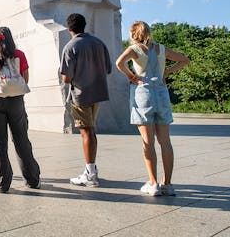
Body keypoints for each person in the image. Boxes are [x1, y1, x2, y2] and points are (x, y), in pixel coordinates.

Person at [115, 21, 190, 196]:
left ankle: (153, 183)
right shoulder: (161, 49)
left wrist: (132, 76)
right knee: (165, 141)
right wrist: (166, 73)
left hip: (144, 94)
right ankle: (168, 184)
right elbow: (185, 60)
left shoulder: (135, 49)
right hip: (162, 94)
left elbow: (119, 63)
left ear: (133, 34)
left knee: (147, 141)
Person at [0, 27, 40, 193]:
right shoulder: (19, 54)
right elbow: (25, 79)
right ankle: (32, 180)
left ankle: (2, 184)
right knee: (21, 141)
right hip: (16, 101)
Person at [59, 13, 111, 187]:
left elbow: (66, 78)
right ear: (84, 25)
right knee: (91, 130)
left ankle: (90, 174)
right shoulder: (99, 43)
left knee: (86, 131)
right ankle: (92, 168)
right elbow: (108, 69)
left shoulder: (70, 46)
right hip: (98, 91)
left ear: (69, 28)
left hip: (81, 94)